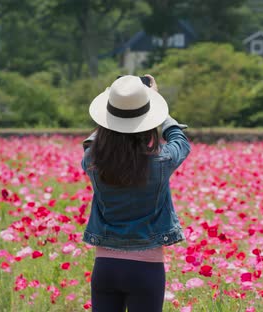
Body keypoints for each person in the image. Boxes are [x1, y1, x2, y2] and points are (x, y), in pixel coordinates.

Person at [80, 74, 190, 312]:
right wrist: (156, 102)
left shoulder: (92, 161)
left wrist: (115, 104)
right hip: (146, 270)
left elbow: (92, 142)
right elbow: (180, 140)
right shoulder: (162, 161)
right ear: (149, 120)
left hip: (105, 268)